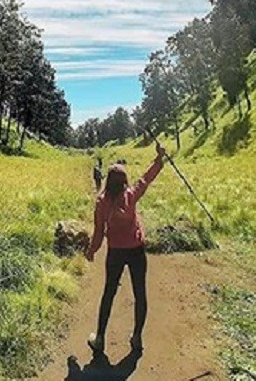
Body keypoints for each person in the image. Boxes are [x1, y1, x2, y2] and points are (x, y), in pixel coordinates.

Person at [84, 141, 166, 353]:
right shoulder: (131, 195)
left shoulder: (101, 202)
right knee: (140, 293)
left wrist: (91, 251)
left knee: (109, 292)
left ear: (107, 181)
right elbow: (146, 179)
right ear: (124, 181)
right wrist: (159, 158)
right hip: (137, 250)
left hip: (116, 253)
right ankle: (137, 337)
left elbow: (99, 232)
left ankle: (100, 338)